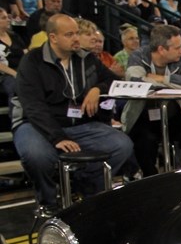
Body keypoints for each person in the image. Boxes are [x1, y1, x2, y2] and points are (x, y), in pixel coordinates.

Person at [11, 14, 133, 213]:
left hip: (78, 123)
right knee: (37, 155)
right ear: (53, 38)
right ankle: (48, 203)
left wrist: (97, 88)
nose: (76, 38)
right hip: (36, 124)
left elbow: (112, 80)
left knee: (122, 145)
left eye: (77, 33)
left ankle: (86, 188)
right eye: (69, 34)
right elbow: (33, 106)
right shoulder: (32, 61)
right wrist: (57, 137)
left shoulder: (86, 58)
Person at [121, 24, 181, 177]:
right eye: (178, 47)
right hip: (143, 117)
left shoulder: (180, 61)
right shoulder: (138, 56)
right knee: (144, 142)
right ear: (161, 49)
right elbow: (135, 82)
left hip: (174, 116)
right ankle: (150, 181)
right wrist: (175, 84)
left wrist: (163, 78)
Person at [0, 7, 25, 112]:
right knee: (15, 85)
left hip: (20, 70)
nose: (8, 20)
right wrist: (15, 74)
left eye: (8, 17)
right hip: (4, 74)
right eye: (4, 18)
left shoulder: (14, 36)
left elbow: (25, 52)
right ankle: (16, 120)